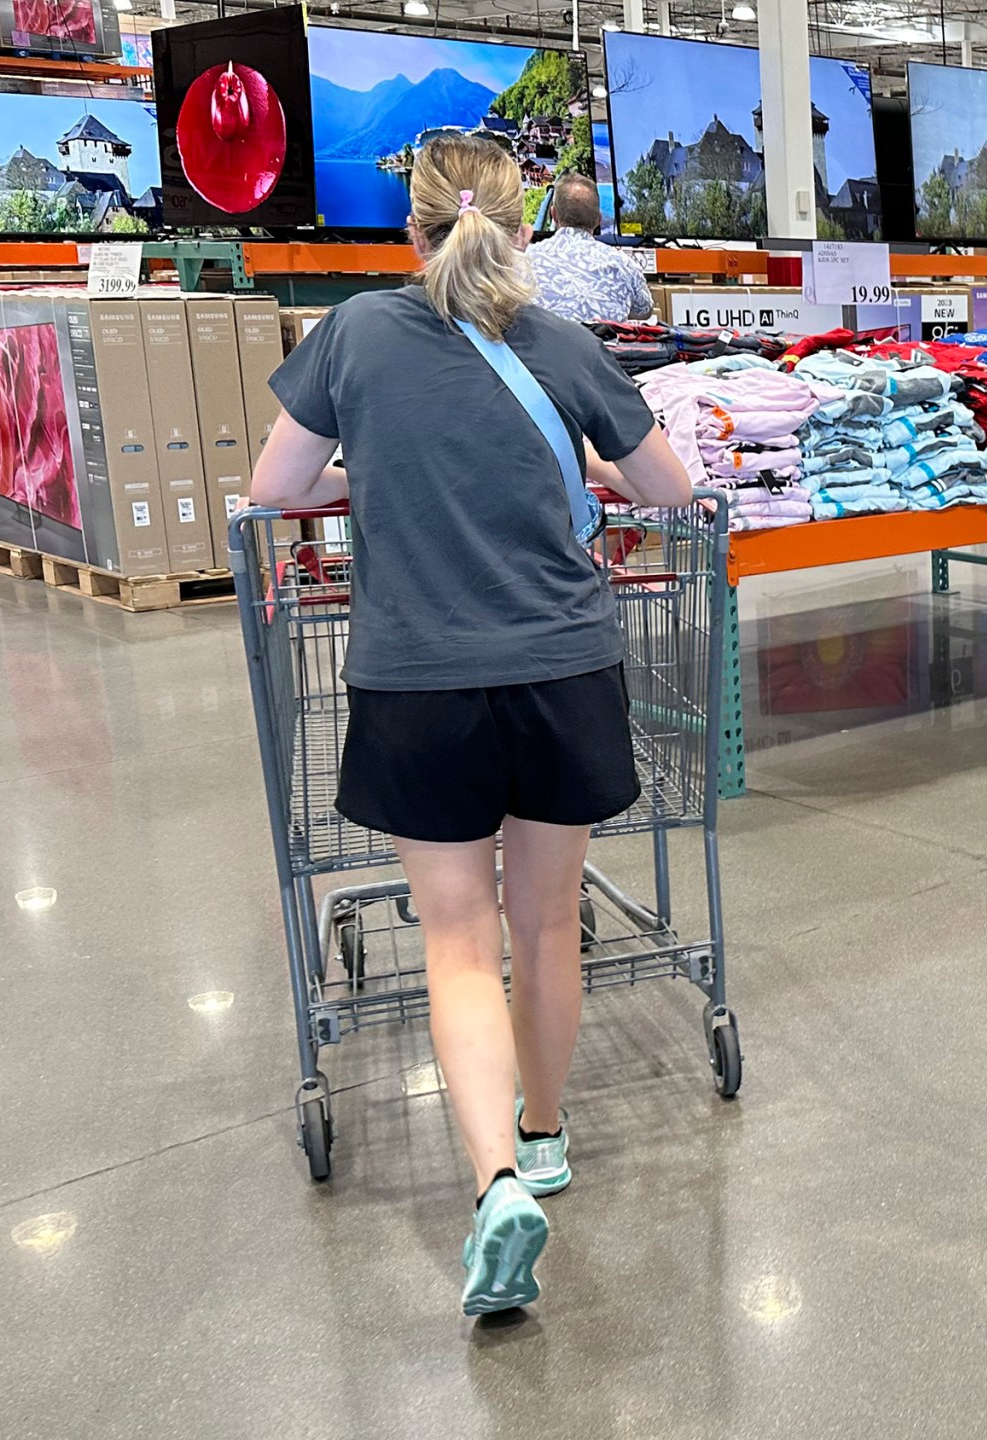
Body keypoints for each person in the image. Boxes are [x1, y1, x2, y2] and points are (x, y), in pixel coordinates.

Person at [247, 134, 693, 1317]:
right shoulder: (564, 344)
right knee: (547, 923)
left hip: (418, 680)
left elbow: (273, 490)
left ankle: (495, 1181)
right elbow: (673, 492)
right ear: (522, 228)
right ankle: (547, 1134)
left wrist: (375, 478)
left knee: (458, 939)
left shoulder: (351, 335)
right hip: (562, 671)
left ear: (409, 226)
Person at [528, 173, 653, 325]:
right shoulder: (624, 265)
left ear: (553, 214)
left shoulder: (526, 260)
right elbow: (645, 310)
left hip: (544, 348)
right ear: (598, 220)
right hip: (603, 347)